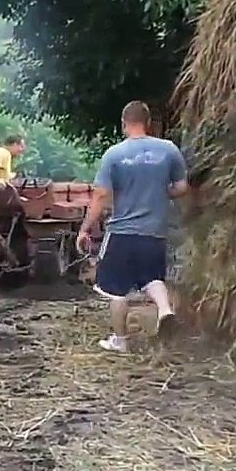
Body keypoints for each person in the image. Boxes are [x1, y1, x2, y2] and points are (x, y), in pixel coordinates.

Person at [77, 101, 190, 353]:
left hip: (122, 233)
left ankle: (120, 340)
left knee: (116, 291)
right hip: (155, 230)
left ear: (123, 123)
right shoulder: (168, 150)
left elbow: (101, 195)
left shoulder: (114, 155)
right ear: (148, 122)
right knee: (152, 277)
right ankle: (165, 311)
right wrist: (161, 192)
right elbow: (182, 188)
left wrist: (86, 228)